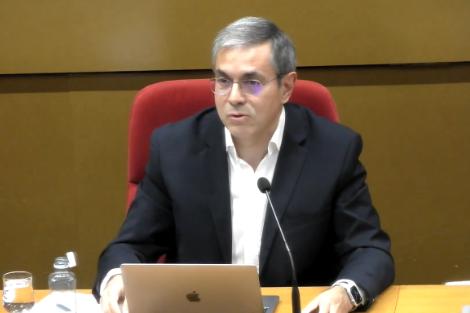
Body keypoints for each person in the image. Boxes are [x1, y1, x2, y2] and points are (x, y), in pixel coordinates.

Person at [94, 16, 394, 313]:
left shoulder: (333, 150)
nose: (234, 97)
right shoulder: (174, 149)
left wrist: (344, 293)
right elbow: (130, 246)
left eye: (252, 83)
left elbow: (369, 250)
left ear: (287, 87)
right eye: (223, 81)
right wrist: (116, 278)